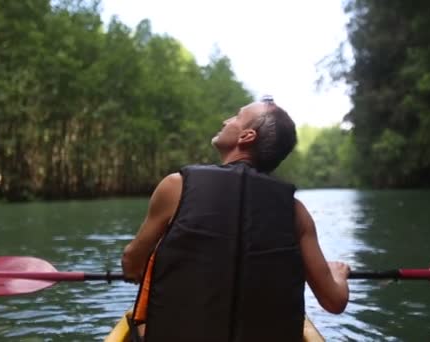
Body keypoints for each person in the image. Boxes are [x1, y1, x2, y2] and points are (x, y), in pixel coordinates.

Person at [121, 96, 350, 342]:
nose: (226, 120)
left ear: (246, 136)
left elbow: (132, 264)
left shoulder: (177, 187)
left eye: (236, 117)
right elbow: (334, 301)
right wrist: (337, 275)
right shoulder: (295, 213)